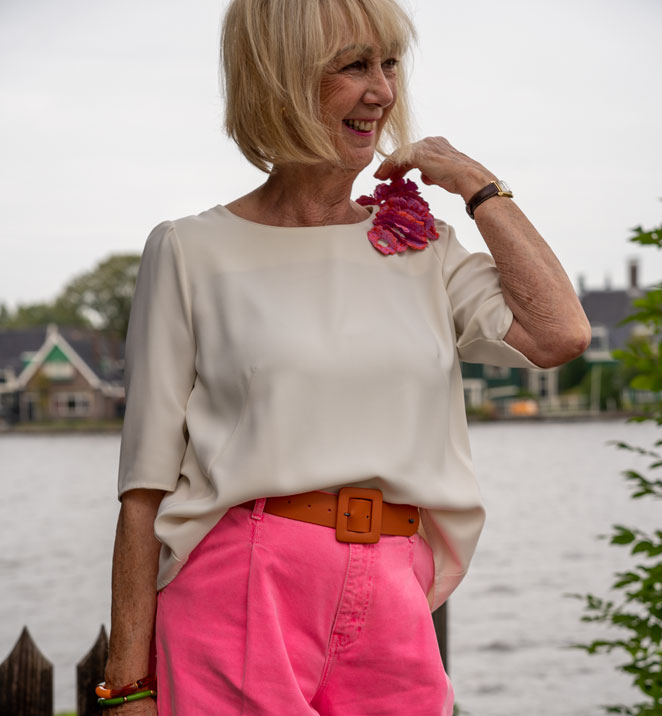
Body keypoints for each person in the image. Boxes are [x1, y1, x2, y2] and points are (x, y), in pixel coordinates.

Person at [101, 0, 591, 714]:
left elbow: (559, 334)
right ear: (280, 79)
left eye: (389, 63)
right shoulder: (188, 251)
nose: (383, 92)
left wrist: (476, 186)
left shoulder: (420, 245)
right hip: (240, 590)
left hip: (392, 591)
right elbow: (145, 485)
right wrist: (127, 687)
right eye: (353, 66)